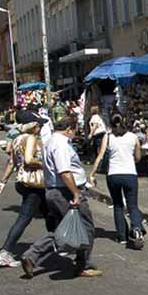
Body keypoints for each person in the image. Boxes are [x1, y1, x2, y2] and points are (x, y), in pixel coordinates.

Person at [20, 117, 102, 279]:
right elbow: (64, 171)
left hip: (54, 191)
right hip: (65, 192)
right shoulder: (61, 145)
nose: (76, 133)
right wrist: (76, 193)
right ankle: (82, 265)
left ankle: (32, 255)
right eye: (75, 130)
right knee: (86, 228)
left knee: (62, 229)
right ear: (69, 129)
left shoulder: (50, 142)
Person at [0, 114, 48, 267]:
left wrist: (2, 182)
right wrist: (45, 164)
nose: (41, 127)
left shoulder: (17, 139)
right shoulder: (30, 138)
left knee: (49, 213)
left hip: (24, 182)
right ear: (33, 126)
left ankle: (56, 243)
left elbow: (11, 162)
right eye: (39, 125)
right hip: (34, 183)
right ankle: (5, 252)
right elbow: (29, 160)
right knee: (24, 218)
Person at [90, 114, 145, 249]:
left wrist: (92, 174)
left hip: (113, 174)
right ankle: (137, 227)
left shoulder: (107, 137)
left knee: (118, 205)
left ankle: (122, 237)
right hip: (130, 174)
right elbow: (138, 157)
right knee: (132, 205)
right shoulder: (133, 137)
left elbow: (100, 156)